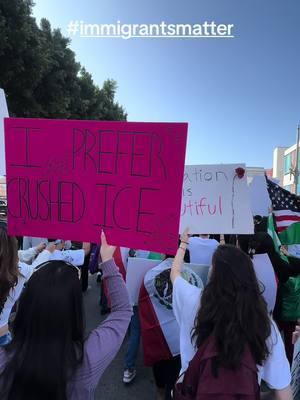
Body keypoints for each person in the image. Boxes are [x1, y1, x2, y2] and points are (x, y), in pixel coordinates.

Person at [0, 230, 132, 399]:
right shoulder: (87, 360)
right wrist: (107, 260)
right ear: (75, 307)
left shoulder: (5, 360)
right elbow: (123, 311)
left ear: (26, 305)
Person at [170, 229, 293, 399]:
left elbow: (175, 274)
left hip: (194, 390)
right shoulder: (263, 322)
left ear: (214, 275)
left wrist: (183, 243)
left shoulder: (193, 301)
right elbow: (283, 392)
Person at [0, 222, 53, 346]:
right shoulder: (19, 271)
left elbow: (20, 255)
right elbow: (36, 270)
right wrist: (47, 252)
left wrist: (36, 249)